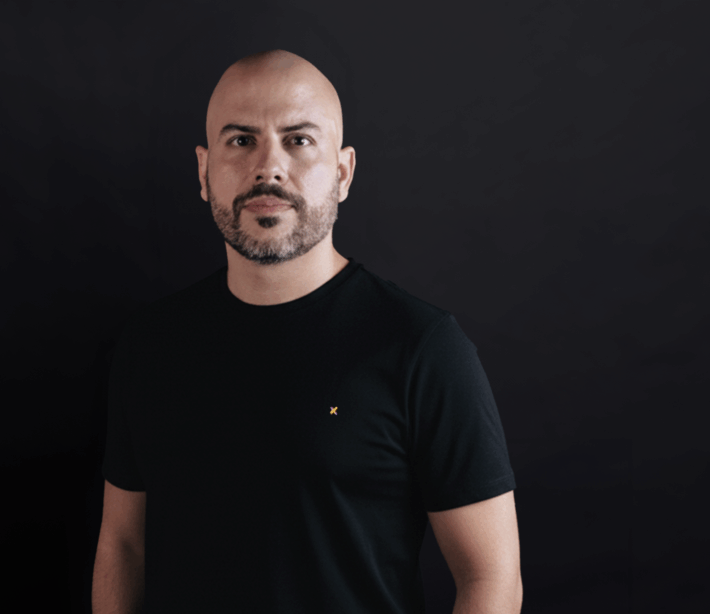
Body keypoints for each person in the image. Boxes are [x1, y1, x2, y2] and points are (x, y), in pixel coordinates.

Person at [93, 49, 522, 613]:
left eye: (298, 140)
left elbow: (491, 578)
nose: (268, 167)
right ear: (203, 171)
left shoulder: (420, 348)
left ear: (342, 173)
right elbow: (123, 546)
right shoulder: (150, 345)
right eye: (241, 140)